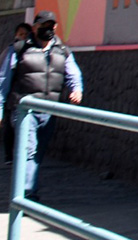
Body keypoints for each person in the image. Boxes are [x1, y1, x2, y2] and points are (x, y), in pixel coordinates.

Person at [0, 11, 83, 201]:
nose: (49, 30)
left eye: (52, 26)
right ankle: (27, 194)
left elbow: (73, 73)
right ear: (35, 28)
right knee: (29, 150)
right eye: (44, 26)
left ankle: (26, 190)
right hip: (23, 110)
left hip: (49, 111)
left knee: (37, 153)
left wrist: (76, 89)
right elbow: (3, 80)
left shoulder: (62, 50)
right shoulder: (19, 49)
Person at [3, 22, 31, 164]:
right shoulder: (11, 51)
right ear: (15, 35)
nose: (23, 37)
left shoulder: (31, 51)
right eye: (21, 34)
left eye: (26, 35)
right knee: (10, 127)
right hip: (11, 95)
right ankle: (9, 155)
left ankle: (22, 157)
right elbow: (4, 76)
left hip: (24, 94)